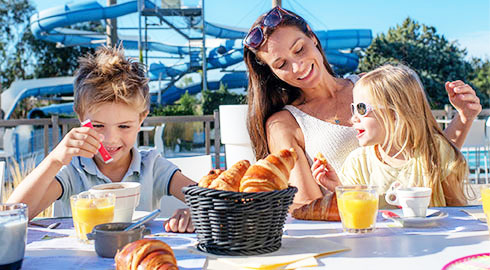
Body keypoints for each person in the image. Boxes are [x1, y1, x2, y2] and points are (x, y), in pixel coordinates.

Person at [243, 6, 481, 209]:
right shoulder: (283, 124)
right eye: (282, 64)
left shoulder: (371, 85)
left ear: (313, 38)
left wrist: (464, 117)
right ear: (271, 71)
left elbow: (432, 155)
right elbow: (307, 208)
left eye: (299, 49)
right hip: (355, 233)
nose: (298, 67)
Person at [7, 46, 195, 233]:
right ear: (81, 118)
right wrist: (55, 159)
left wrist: (194, 213)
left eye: (124, 126)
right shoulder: (73, 171)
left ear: (141, 119)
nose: (110, 139)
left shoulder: (152, 166)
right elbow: (13, 216)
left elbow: (214, 201)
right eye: (97, 126)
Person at [312, 64, 468, 207]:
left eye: (361, 109)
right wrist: (338, 188)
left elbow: (458, 213)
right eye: (353, 108)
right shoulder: (358, 163)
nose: (353, 118)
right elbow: (356, 212)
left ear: (394, 114)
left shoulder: (436, 153)